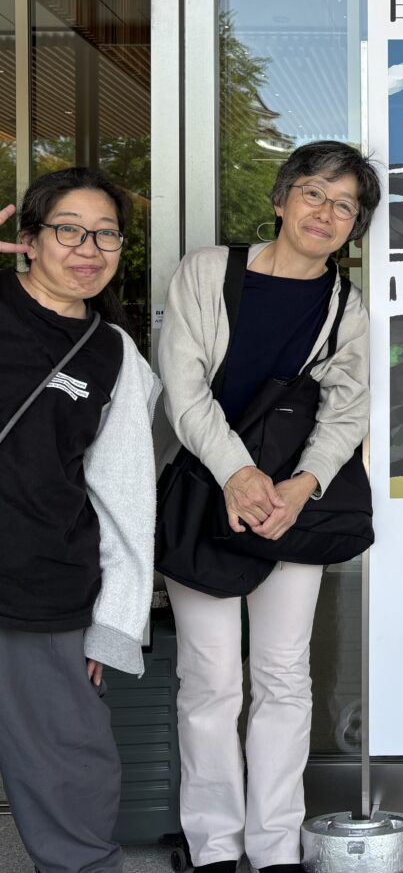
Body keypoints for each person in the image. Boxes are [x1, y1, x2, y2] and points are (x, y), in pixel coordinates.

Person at [158, 141, 381, 873]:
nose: (327, 212)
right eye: (315, 193)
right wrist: (237, 472)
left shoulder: (346, 305)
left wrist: (302, 484)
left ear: (354, 226)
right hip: (208, 496)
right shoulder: (207, 272)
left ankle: (276, 845)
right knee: (211, 679)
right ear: (282, 199)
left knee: (284, 677)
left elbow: (349, 409)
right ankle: (215, 845)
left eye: (345, 205)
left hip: (291, 509)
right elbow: (183, 384)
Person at [0, 168, 160, 873]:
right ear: (29, 239)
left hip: (44, 587)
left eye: (105, 234)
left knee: (71, 766)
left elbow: (125, 496)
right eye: (68, 230)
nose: (88, 249)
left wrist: (115, 620)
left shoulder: (112, 353)